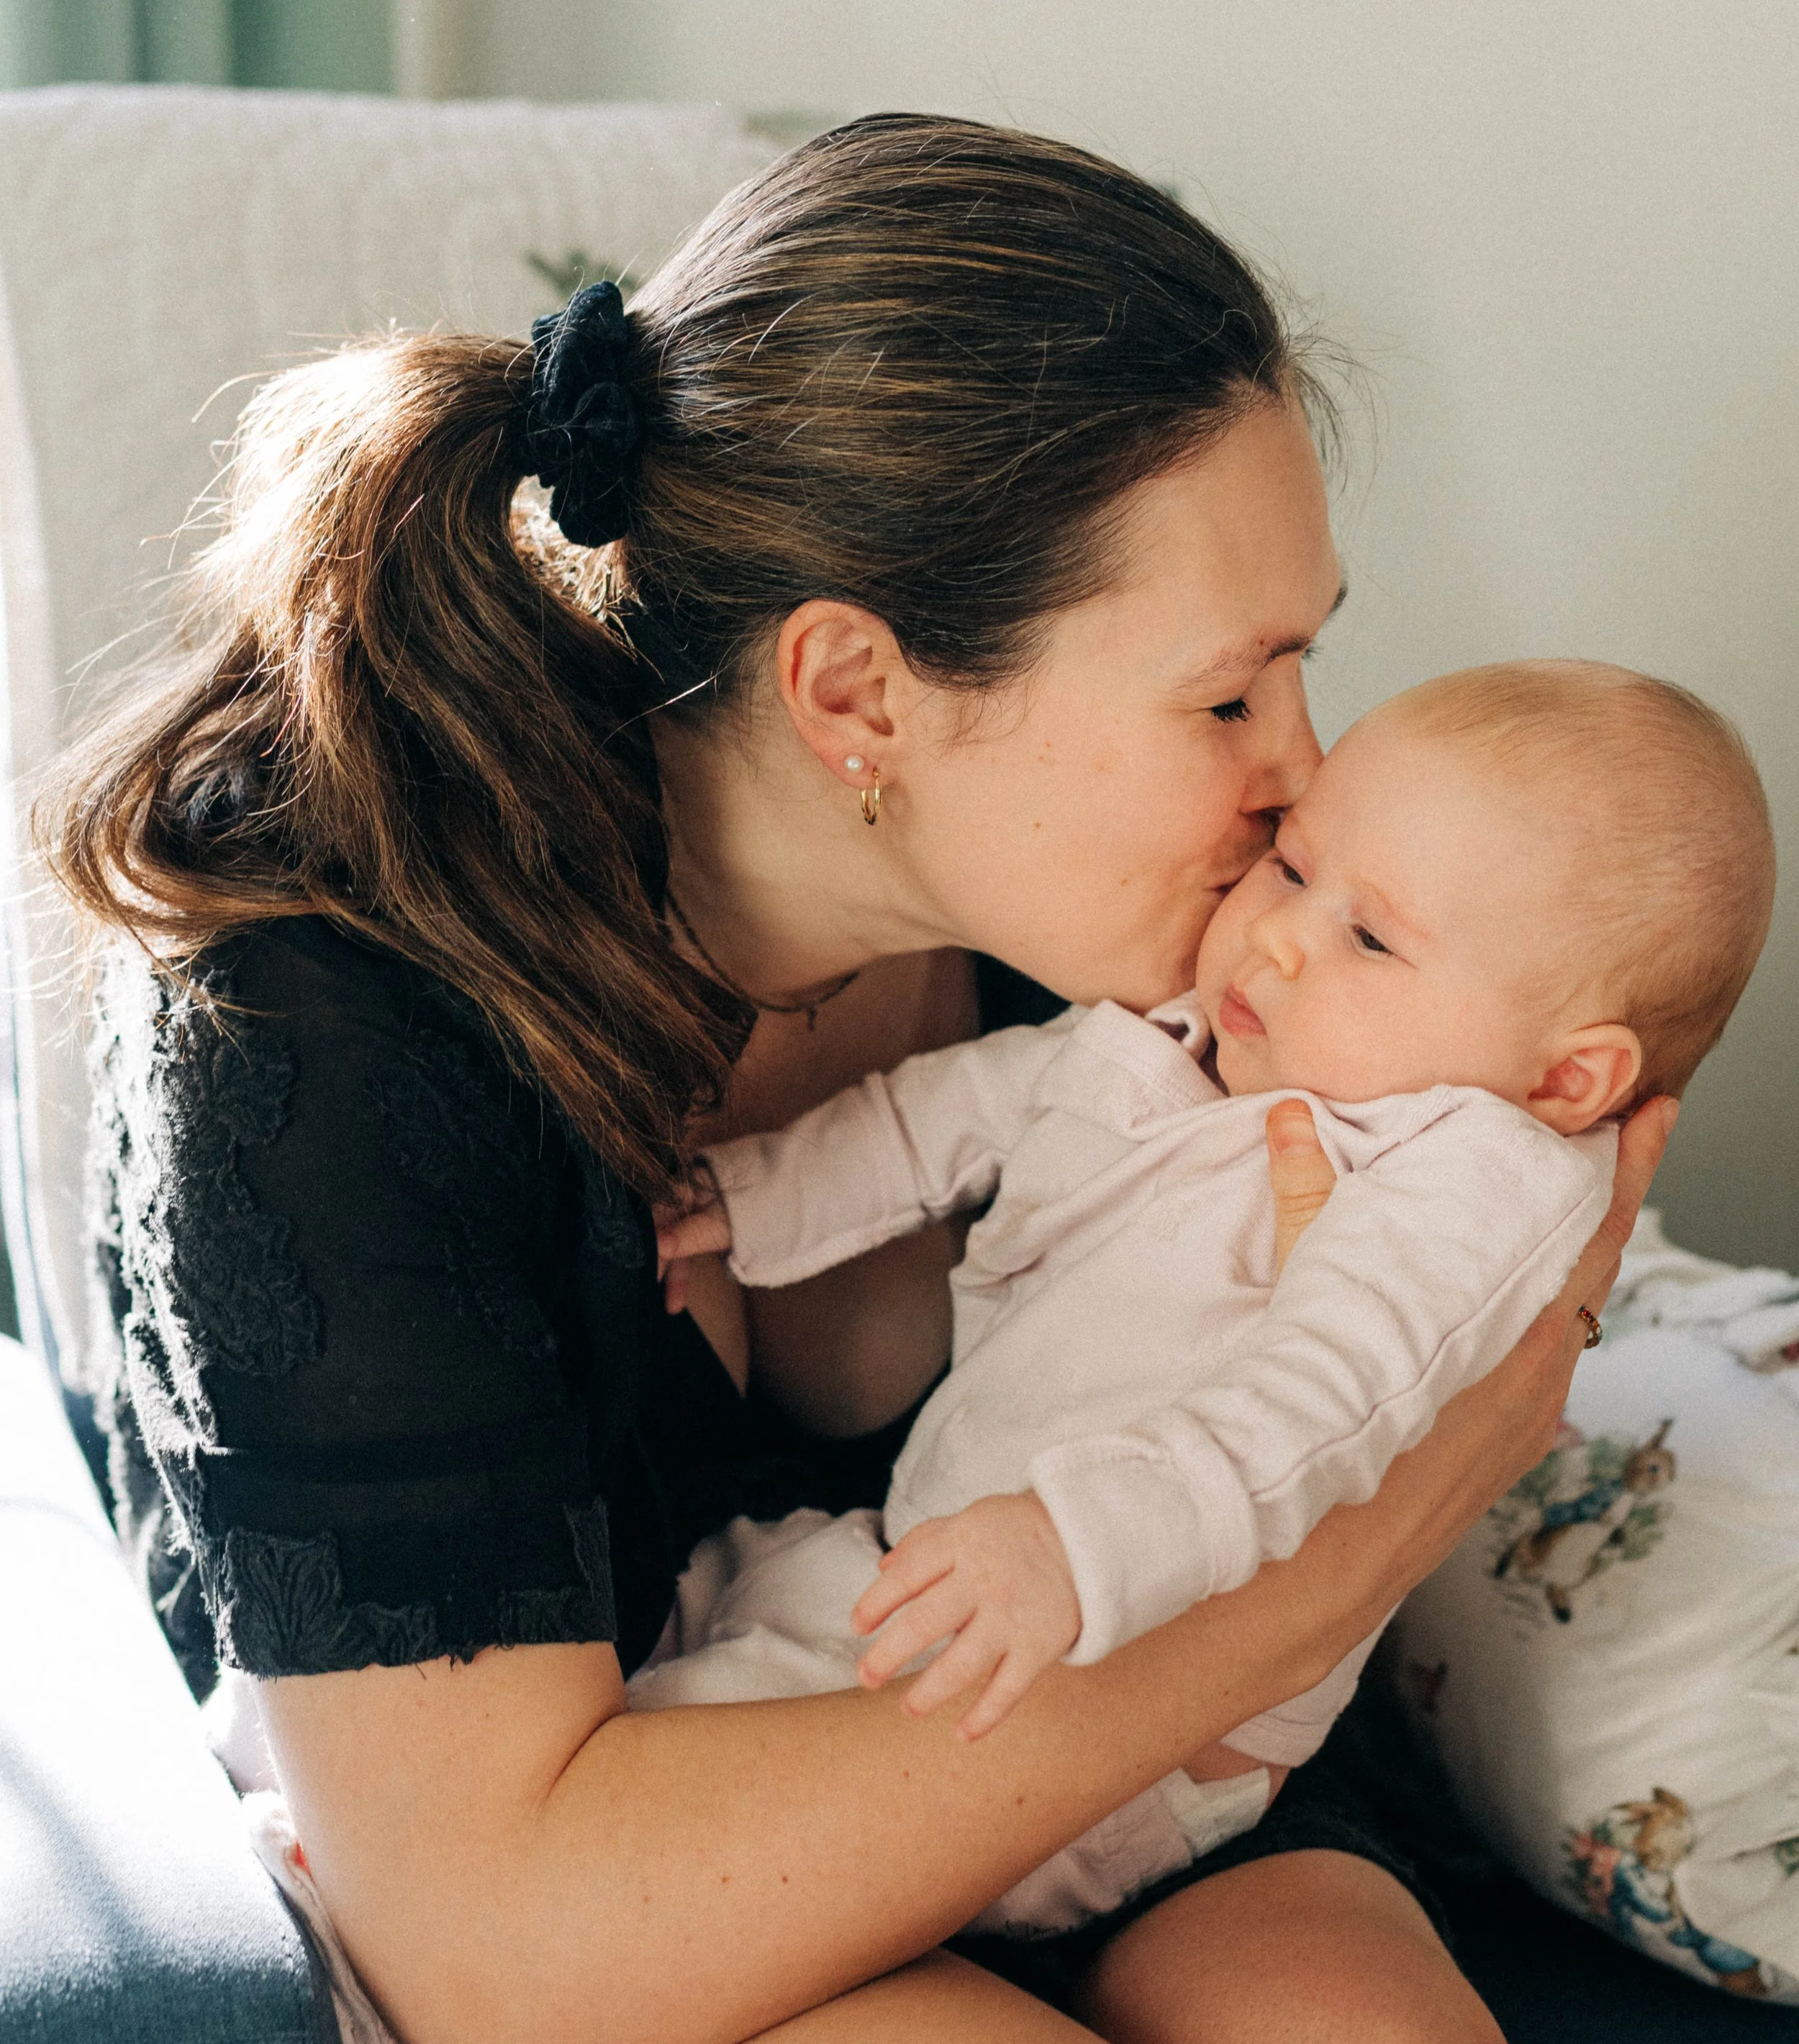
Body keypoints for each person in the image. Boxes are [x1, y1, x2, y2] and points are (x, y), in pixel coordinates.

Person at [49, 116, 1672, 2044]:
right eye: (1228, 699)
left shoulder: (1147, 959)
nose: (1302, 781)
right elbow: (512, 1971)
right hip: (586, 1863)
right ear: (858, 695)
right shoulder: (319, 1021)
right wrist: (1304, 1581)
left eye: (1307, 665)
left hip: (1088, 1725)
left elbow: (1449, 1229)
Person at [639, 662, 1771, 1952]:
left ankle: (393, 2015)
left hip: (1140, 1721)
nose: (1280, 932)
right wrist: (745, 1196)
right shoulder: (1221, 1033)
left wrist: (1078, 1545)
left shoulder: (1473, 1178)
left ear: (1569, 1076)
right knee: (694, 1610)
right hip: (954, 1566)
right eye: (1292, 867)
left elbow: (1310, 1406)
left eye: (1373, 937)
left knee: (712, 1758)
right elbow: (955, 1111)